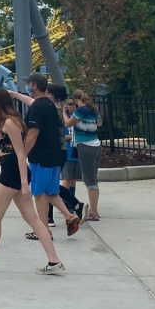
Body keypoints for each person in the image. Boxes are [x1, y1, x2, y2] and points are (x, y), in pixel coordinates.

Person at [0, 88, 65, 275]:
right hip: (14, 171)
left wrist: (25, 183)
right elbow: (5, 150)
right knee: (33, 219)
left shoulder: (10, 122)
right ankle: (54, 261)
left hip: (12, 172)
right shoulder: (10, 120)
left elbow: (20, 154)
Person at [19, 74, 81, 240]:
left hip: (42, 156)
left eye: (28, 84)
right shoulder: (50, 105)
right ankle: (70, 216)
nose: (27, 86)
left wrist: (22, 153)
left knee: (39, 194)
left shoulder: (38, 107)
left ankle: (43, 230)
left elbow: (33, 132)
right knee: (51, 191)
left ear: (34, 85)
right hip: (57, 154)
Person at [66, 89, 102, 221]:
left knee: (90, 180)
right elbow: (100, 123)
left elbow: (68, 123)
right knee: (93, 179)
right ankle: (94, 210)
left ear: (75, 100)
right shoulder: (93, 109)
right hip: (96, 145)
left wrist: (66, 114)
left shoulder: (81, 110)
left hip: (85, 146)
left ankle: (93, 212)